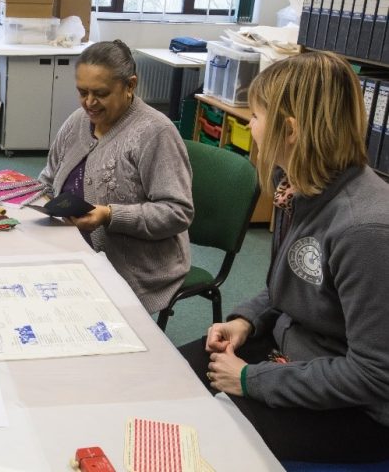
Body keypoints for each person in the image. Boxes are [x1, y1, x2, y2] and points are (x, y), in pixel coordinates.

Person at [179, 51, 389, 463]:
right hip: (292, 354)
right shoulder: (294, 185)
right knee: (173, 376)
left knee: (204, 439)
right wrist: (245, 320)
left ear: (289, 130)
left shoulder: (365, 231)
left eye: (254, 116)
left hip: (359, 409)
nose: (247, 124)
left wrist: (251, 380)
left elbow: (374, 376)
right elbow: (288, 285)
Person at [38, 40, 193, 313]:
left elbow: (177, 212)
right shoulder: (77, 122)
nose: (89, 103)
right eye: (82, 92)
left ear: (130, 85)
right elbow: (47, 179)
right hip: (71, 249)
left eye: (100, 93)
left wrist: (110, 215)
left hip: (133, 267)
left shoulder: (155, 133)